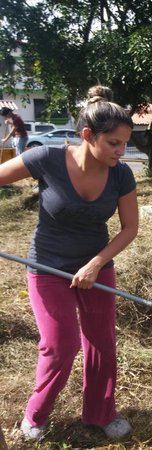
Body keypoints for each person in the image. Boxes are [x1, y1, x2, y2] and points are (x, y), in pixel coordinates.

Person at [0, 86, 138, 441]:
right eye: (114, 143)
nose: (121, 152)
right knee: (61, 345)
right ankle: (36, 414)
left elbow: (129, 228)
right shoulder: (46, 158)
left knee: (102, 343)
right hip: (48, 267)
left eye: (125, 143)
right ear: (89, 135)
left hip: (96, 265)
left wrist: (96, 264)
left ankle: (100, 413)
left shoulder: (121, 174)